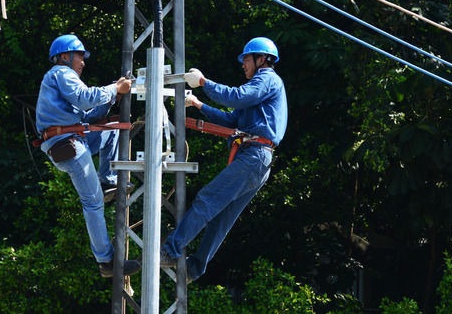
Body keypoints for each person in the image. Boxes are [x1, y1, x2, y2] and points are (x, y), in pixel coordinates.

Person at [159, 37, 288, 282]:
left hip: (254, 156)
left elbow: (234, 97)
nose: (243, 65)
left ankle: (170, 251)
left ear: (262, 60)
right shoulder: (257, 93)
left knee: (207, 199)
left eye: (246, 59)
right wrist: (199, 104)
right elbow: (231, 120)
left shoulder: (266, 79)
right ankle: (194, 268)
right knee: (221, 217)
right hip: (258, 159)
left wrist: (204, 83)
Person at [36, 34, 140, 278]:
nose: (83, 62)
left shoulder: (62, 81)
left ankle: (108, 182)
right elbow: (85, 100)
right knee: (92, 204)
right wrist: (114, 88)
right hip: (67, 144)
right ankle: (106, 261)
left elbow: (89, 116)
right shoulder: (60, 74)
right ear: (64, 56)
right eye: (79, 56)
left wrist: (115, 95)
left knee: (111, 131)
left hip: (74, 139)